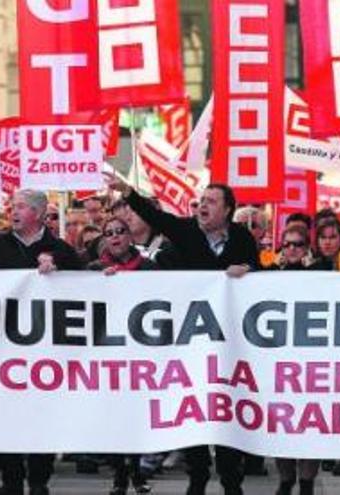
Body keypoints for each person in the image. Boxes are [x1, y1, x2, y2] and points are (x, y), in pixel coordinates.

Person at [106, 173, 257, 495]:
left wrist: (250, 272)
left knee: (226, 410)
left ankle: (232, 482)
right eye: (201, 200)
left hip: (231, 344)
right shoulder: (185, 231)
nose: (203, 205)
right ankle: (198, 478)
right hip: (192, 341)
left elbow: (260, 279)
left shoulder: (242, 238)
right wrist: (129, 193)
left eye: (211, 201)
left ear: (228, 210)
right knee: (196, 410)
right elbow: (155, 216)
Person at [0, 189, 82, 495]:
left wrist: (58, 262)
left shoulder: (59, 248)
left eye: (22, 207)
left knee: (42, 416)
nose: (13, 211)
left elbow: (82, 280)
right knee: (5, 415)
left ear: (39, 214)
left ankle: (39, 480)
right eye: (13, 207)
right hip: (2, 350)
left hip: (45, 351)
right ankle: (11, 479)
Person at [87, 218, 154, 494]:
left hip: (139, 351)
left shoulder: (149, 268)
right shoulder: (92, 269)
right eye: (109, 233)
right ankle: (120, 474)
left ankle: (136, 471)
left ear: (130, 237)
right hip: (106, 351)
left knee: (135, 416)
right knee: (112, 417)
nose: (114, 237)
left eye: (120, 232)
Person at [274, 225, 326, 494]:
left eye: (297, 244)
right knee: (279, 423)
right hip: (279, 361)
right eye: (287, 245)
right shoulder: (270, 275)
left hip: (311, 360)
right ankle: (285, 480)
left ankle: (306, 482)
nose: (292, 249)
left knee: (310, 425)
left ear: (307, 248)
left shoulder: (322, 273)